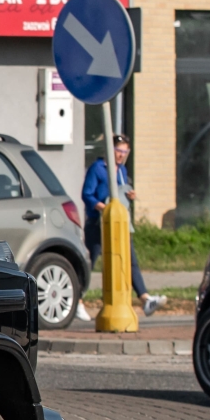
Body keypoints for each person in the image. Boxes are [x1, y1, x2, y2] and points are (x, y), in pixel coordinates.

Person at [81, 134, 167, 315]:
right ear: (110, 150)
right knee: (90, 260)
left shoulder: (122, 171)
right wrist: (103, 208)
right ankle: (77, 299)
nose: (121, 155)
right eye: (118, 151)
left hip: (119, 224)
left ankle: (145, 298)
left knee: (130, 259)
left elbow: (120, 192)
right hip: (98, 223)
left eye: (124, 151)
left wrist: (130, 197)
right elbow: (87, 194)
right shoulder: (98, 168)